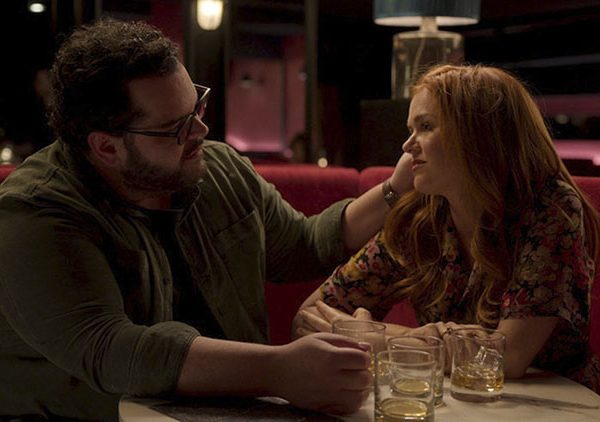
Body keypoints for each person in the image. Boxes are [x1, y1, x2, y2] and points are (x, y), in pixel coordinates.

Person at [0, 19, 413, 420]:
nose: (201, 129)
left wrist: (397, 188)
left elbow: (301, 245)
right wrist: (278, 370)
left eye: (196, 105)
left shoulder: (217, 168)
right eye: (176, 127)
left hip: (237, 411)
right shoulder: (35, 212)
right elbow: (112, 348)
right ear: (107, 148)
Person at [294, 64, 600, 394]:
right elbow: (308, 317)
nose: (407, 146)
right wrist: (416, 340)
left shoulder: (550, 207)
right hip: (457, 401)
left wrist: (382, 340)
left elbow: (508, 356)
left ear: (477, 134)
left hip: (557, 401)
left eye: (425, 127)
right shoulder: (420, 218)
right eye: (410, 129)